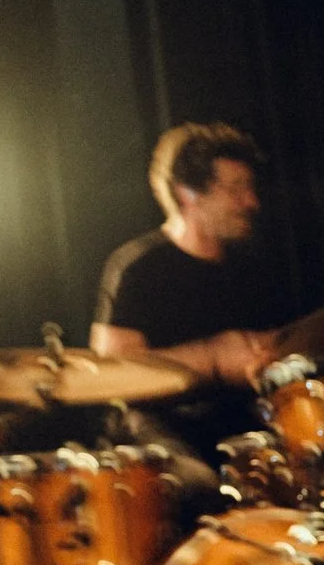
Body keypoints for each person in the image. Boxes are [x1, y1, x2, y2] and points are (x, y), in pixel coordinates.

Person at [91, 122, 291, 464]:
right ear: (188, 194)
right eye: (236, 188)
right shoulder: (137, 268)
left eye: (250, 187)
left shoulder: (250, 266)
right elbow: (114, 371)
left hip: (239, 415)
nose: (251, 201)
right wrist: (211, 359)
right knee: (197, 484)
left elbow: (268, 344)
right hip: (161, 426)